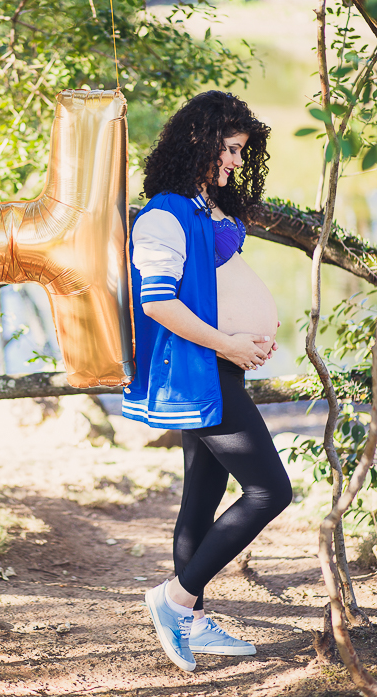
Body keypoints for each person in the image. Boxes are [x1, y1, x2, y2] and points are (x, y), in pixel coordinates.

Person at [123, 91, 292, 672]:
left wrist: (250, 339)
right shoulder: (163, 215)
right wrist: (229, 343)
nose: (238, 163)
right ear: (201, 139)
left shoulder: (198, 206)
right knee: (272, 491)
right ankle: (173, 601)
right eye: (232, 149)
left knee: (201, 498)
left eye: (245, 152)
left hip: (220, 367)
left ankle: (192, 621)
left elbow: (218, 280)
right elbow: (158, 304)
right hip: (200, 372)